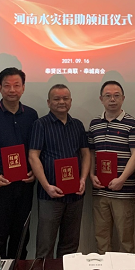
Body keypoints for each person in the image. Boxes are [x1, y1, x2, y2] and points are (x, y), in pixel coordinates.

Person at [0, 67, 38, 259]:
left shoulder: (31, 115)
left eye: (17, 85)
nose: (12, 90)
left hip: (25, 183)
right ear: (0, 88)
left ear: (23, 88)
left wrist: (34, 172)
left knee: (22, 233)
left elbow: (36, 150)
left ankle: (18, 269)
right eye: (7, 86)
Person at [29, 84, 90, 258]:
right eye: (56, 99)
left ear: (71, 101)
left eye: (65, 98)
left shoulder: (77, 125)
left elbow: (86, 154)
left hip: (75, 195)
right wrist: (46, 185)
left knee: (70, 246)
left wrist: (83, 179)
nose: (61, 102)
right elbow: (33, 156)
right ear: (49, 102)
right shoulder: (40, 124)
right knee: (45, 245)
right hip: (50, 194)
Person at [88, 80, 135, 254]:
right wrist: (91, 175)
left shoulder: (133, 124)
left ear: (123, 98)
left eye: (116, 96)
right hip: (100, 191)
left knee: (125, 239)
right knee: (101, 238)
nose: (112, 99)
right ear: (101, 99)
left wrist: (121, 179)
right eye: (108, 96)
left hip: (123, 191)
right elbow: (91, 153)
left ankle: (126, 269)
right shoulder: (94, 124)